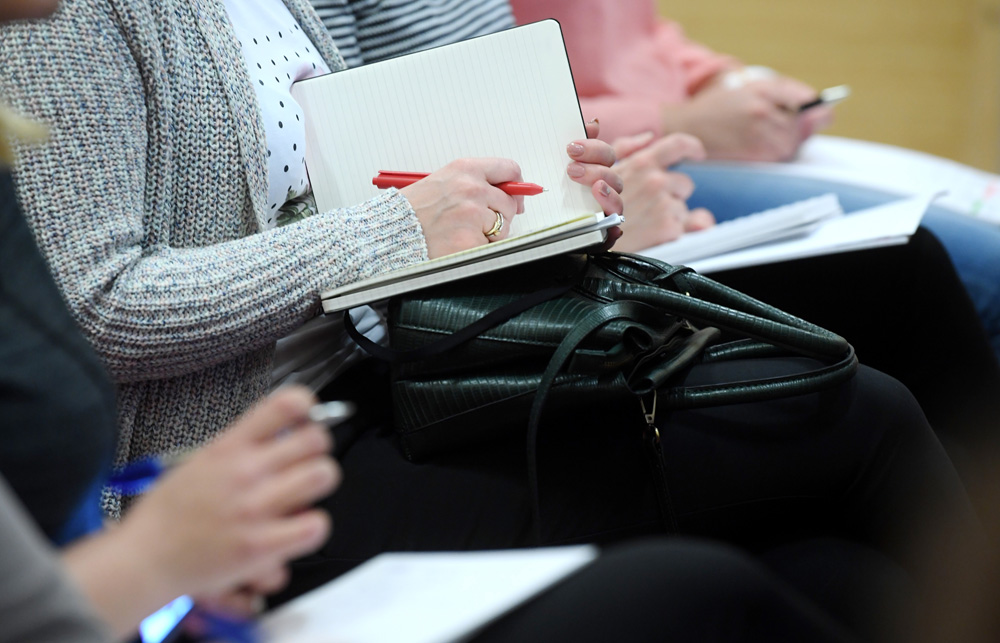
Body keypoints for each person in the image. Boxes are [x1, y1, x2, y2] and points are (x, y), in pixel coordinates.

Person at [1, 2, 988, 635]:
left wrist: (550, 194)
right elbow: (95, 305)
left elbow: (352, 191)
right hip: (240, 472)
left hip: (391, 383)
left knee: (831, 555)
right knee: (853, 422)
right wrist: (398, 229)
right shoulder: (62, 20)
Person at [508, 0, 1000, 362]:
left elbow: (633, 35)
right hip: (617, 166)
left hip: (667, 134)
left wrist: (723, 80)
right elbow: (492, 110)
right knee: (977, 270)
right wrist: (679, 120)